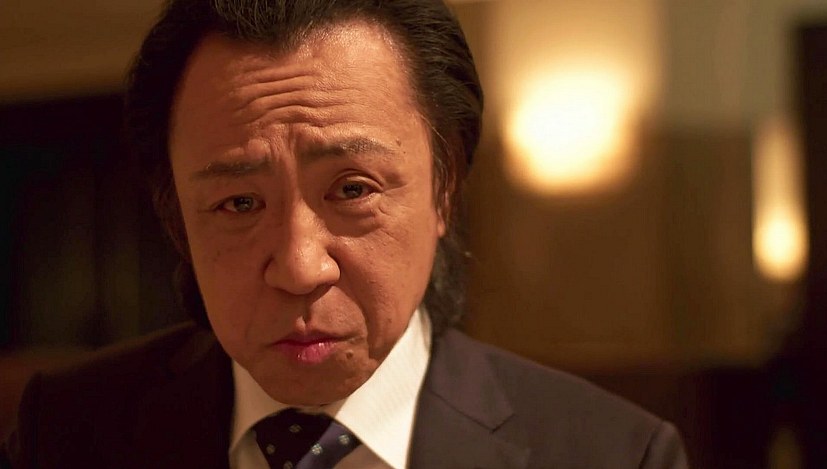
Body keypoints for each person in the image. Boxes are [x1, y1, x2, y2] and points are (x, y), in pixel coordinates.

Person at [2, 0, 688, 468]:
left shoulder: (611, 453)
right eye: (239, 202)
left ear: (444, 188)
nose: (301, 268)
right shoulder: (67, 430)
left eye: (353, 189)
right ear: (175, 215)